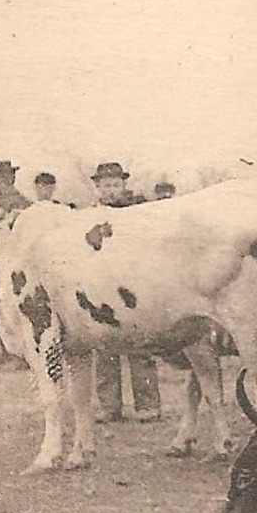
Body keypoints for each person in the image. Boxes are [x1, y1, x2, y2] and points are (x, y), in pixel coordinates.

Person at [88, 162, 162, 422]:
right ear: (97, 187)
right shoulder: (89, 216)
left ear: (124, 186)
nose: (111, 190)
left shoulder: (137, 213)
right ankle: (109, 406)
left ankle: (148, 405)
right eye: (106, 185)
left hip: (133, 286)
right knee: (104, 344)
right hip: (101, 286)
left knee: (139, 343)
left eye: (116, 184)